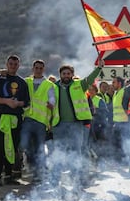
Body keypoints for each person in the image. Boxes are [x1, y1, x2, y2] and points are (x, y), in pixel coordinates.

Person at [49, 58, 104, 187]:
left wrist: (99, 68)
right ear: (60, 75)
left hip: (76, 125)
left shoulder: (79, 85)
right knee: (59, 152)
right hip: (59, 125)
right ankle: (56, 181)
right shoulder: (54, 86)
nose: (66, 76)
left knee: (76, 153)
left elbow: (90, 79)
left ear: (72, 75)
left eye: (68, 73)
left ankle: (76, 180)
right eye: (64, 74)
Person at [0, 55, 30, 186]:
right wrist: (6, 101)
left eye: (15, 64)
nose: (13, 66)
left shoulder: (22, 82)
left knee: (13, 147)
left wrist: (17, 104)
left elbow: (26, 102)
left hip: (16, 118)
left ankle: (9, 176)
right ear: (7, 64)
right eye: (11, 64)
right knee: (1, 147)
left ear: (18, 65)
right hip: (1, 117)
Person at [19, 59, 56, 183]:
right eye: (36, 68)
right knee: (26, 146)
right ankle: (33, 168)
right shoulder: (26, 81)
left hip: (41, 121)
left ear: (43, 69)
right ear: (33, 68)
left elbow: (52, 98)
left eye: (41, 68)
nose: (38, 70)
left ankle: (39, 173)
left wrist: (51, 104)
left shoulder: (48, 84)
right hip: (27, 119)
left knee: (40, 148)